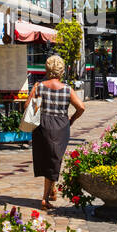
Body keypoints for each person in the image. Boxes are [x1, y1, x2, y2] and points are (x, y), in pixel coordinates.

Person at [31, 54, 86, 208]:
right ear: (62, 71)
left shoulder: (38, 86)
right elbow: (81, 107)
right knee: (55, 159)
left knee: (47, 158)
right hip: (61, 125)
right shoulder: (68, 89)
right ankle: (45, 198)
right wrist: (71, 120)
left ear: (47, 69)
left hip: (42, 123)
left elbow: (28, 106)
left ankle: (51, 190)